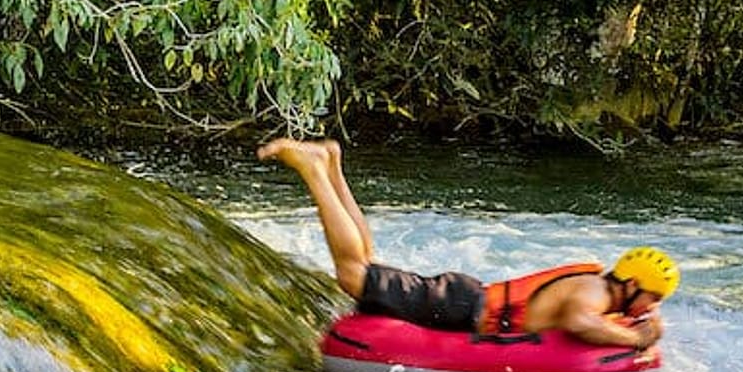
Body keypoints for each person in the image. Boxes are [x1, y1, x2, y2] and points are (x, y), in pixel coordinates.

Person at [256, 138, 678, 351]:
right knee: (354, 274)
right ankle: (314, 170)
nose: (652, 306)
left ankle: (332, 165)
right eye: (653, 297)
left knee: (367, 263)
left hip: (465, 299)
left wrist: (640, 327)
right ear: (631, 285)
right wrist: (636, 340)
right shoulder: (594, 293)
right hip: (460, 307)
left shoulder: (602, 288)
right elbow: (578, 322)